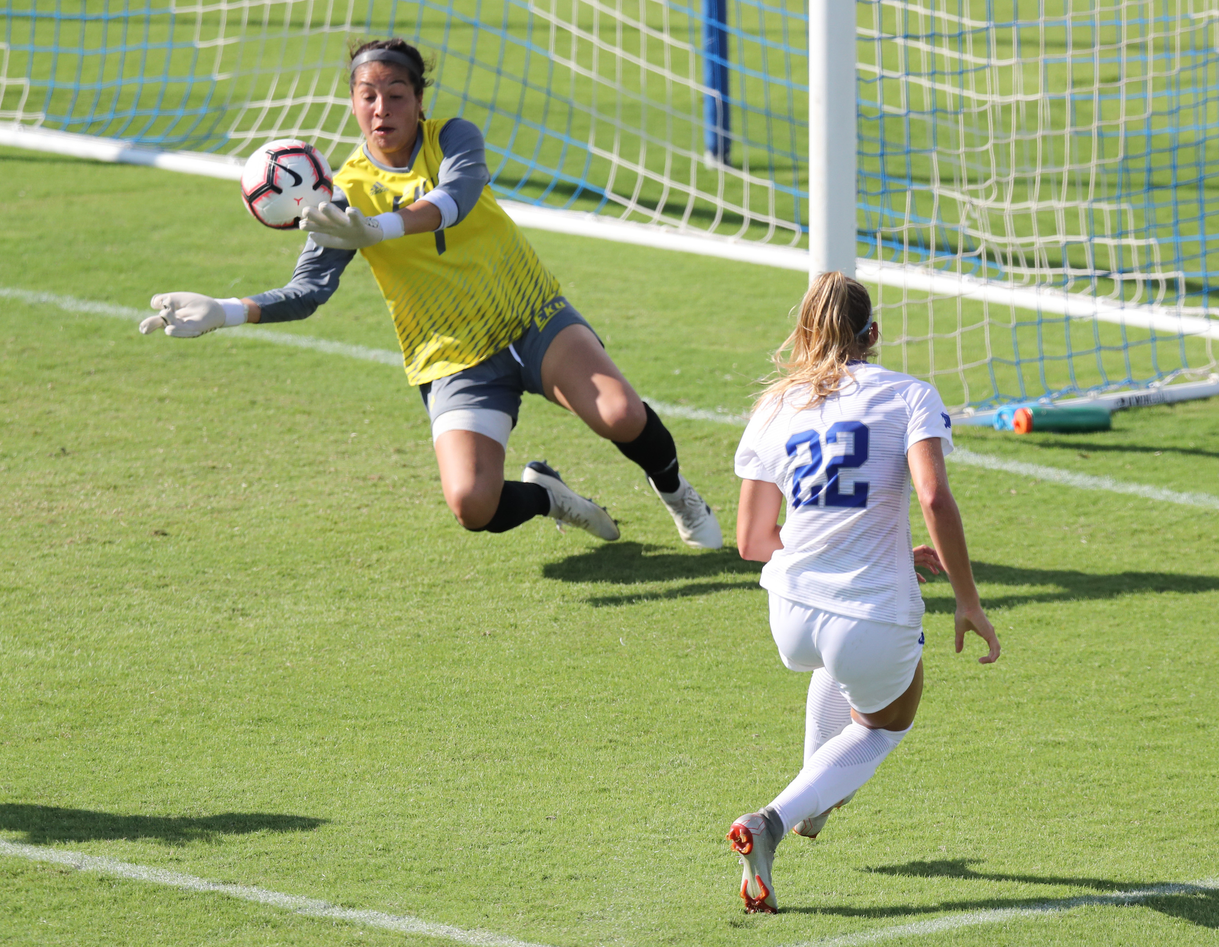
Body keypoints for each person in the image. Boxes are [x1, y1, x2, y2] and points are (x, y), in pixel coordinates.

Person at [139, 37, 721, 549]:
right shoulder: (341, 195)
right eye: (367, 94)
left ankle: (678, 496)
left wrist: (379, 227)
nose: (381, 107)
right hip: (450, 357)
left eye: (396, 94)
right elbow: (310, 289)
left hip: (530, 317)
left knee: (619, 413)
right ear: (352, 103)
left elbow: (456, 198)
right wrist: (225, 310)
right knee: (472, 504)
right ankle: (549, 498)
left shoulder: (453, 139)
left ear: (420, 102)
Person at [725, 272, 1000, 913]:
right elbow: (932, 495)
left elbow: (750, 540)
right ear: (873, 335)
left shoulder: (774, 407)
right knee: (887, 723)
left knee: (837, 670)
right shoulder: (909, 395)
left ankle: (813, 807)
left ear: (803, 336)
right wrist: (967, 599)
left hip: (789, 610)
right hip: (870, 614)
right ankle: (774, 819)